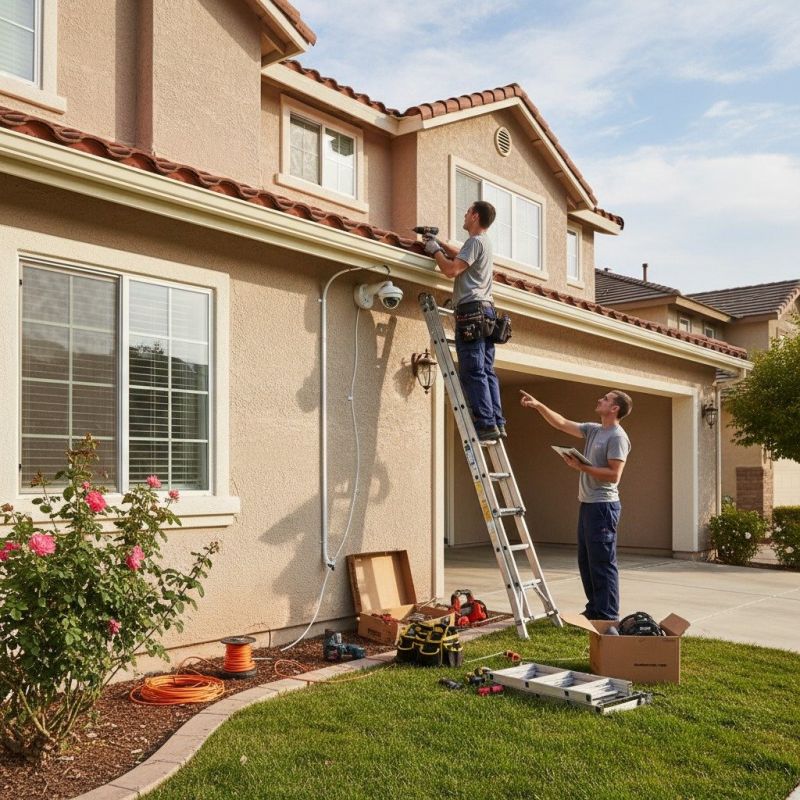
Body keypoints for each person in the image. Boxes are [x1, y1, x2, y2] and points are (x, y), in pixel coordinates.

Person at [519, 389, 633, 620]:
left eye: (606, 399)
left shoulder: (617, 437)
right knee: (586, 560)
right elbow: (561, 423)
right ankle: (594, 609)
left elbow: (614, 475)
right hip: (588, 504)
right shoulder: (594, 430)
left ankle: (607, 614)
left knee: (602, 561)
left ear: (615, 409)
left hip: (603, 507)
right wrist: (539, 405)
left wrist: (581, 467)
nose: (600, 399)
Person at [423, 202, 505, 442]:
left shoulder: (475, 242)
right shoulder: (483, 243)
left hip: (472, 311)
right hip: (487, 312)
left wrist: (434, 251)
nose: (465, 214)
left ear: (475, 216)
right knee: (487, 370)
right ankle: (496, 422)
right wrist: (440, 244)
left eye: (468, 211)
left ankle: (486, 423)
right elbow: (461, 254)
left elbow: (451, 270)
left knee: (472, 370)